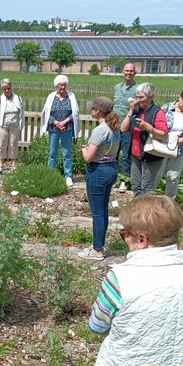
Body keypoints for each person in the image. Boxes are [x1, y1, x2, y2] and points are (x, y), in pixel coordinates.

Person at [88, 195, 183, 366]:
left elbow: (96, 325)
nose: (124, 239)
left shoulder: (121, 278)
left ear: (142, 240)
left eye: (125, 234)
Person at [78, 97, 120, 261]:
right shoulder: (114, 127)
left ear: (99, 111)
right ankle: (99, 245)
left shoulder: (99, 130)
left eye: (93, 108)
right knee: (103, 210)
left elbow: (89, 157)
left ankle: (97, 250)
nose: (91, 110)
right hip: (111, 168)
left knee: (97, 213)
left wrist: (83, 150)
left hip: (98, 171)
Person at [119, 83, 168, 197]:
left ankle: (147, 213)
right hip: (136, 154)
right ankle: (138, 211)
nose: (138, 100)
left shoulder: (157, 112)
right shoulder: (136, 110)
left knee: (147, 187)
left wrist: (148, 127)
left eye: (142, 97)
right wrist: (130, 111)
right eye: (137, 97)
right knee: (136, 185)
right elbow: (123, 128)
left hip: (151, 155)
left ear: (150, 97)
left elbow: (162, 134)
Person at [39, 74, 80, 187]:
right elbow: (47, 113)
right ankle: (50, 173)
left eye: (64, 85)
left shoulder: (71, 96)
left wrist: (64, 122)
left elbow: (75, 112)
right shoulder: (51, 96)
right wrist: (56, 123)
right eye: (60, 85)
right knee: (52, 153)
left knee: (67, 153)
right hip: (54, 128)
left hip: (67, 128)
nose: (62, 87)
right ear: (57, 86)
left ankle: (68, 176)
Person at [0, 78, 25, 173]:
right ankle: (1, 164)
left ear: (11, 88)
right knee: (1, 144)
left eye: (8, 88)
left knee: (13, 144)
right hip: (2, 125)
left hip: (14, 125)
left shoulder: (18, 98)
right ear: (3, 90)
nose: (7, 90)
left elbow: (21, 112)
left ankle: (13, 164)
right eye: (5, 89)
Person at [112, 63, 138, 176]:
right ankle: (113, 176)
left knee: (126, 154)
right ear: (123, 72)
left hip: (128, 127)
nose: (128, 73)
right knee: (113, 153)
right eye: (126, 71)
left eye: (131, 71)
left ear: (135, 73)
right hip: (115, 125)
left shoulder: (138, 89)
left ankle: (124, 178)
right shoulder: (117, 87)